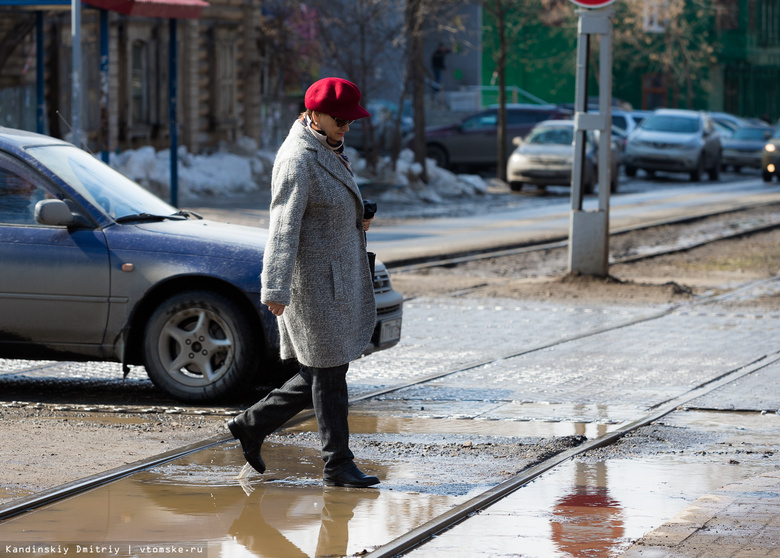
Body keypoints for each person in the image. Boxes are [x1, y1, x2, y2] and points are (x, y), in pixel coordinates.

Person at [227, 77, 379, 488]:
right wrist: (274, 287)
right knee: (329, 374)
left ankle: (250, 425)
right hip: (312, 286)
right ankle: (336, 464)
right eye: (340, 119)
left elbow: (322, 212)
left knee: (322, 373)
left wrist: (356, 217)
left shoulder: (326, 149)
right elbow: (282, 226)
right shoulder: (299, 158)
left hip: (334, 279)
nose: (346, 126)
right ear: (314, 114)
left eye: (350, 120)